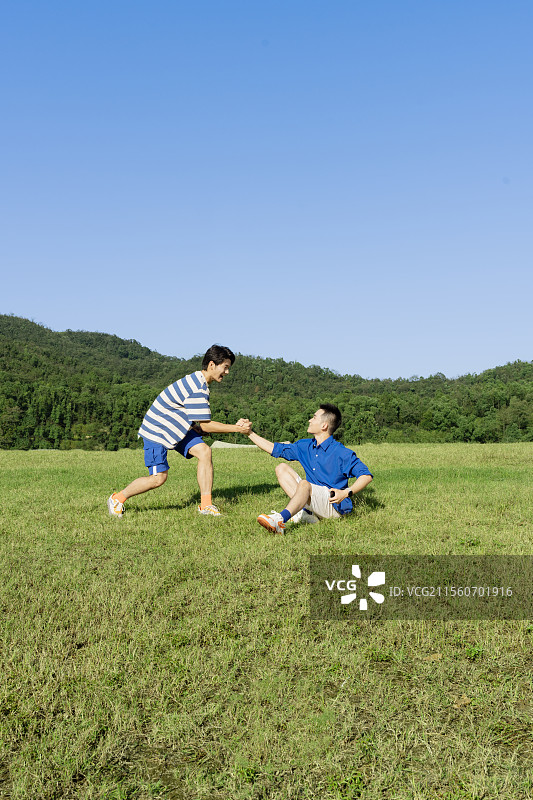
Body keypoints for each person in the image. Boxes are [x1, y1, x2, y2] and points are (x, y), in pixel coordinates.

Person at [107, 344, 251, 518]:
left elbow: (183, 413)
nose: (227, 372)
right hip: (157, 432)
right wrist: (237, 429)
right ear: (212, 365)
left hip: (176, 429)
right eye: (225, 367)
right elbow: (206, 424)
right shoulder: (197, 387)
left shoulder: (199, 382)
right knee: (158, 478)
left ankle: (206, 505)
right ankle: (117, 498)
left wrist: (195, 428)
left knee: (205, 451)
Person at [249, 403, 373, 534]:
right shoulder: (305, 446)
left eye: (314, 417)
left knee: (304, 484)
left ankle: (280, 520)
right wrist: (249, 433)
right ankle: (308, 513)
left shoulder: (341, 452)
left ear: (324, 425)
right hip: (314, 497)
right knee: (282, 468)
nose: (310, 420)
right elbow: (275, 449)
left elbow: (366, 476)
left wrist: (346, 492)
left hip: (334, 506)